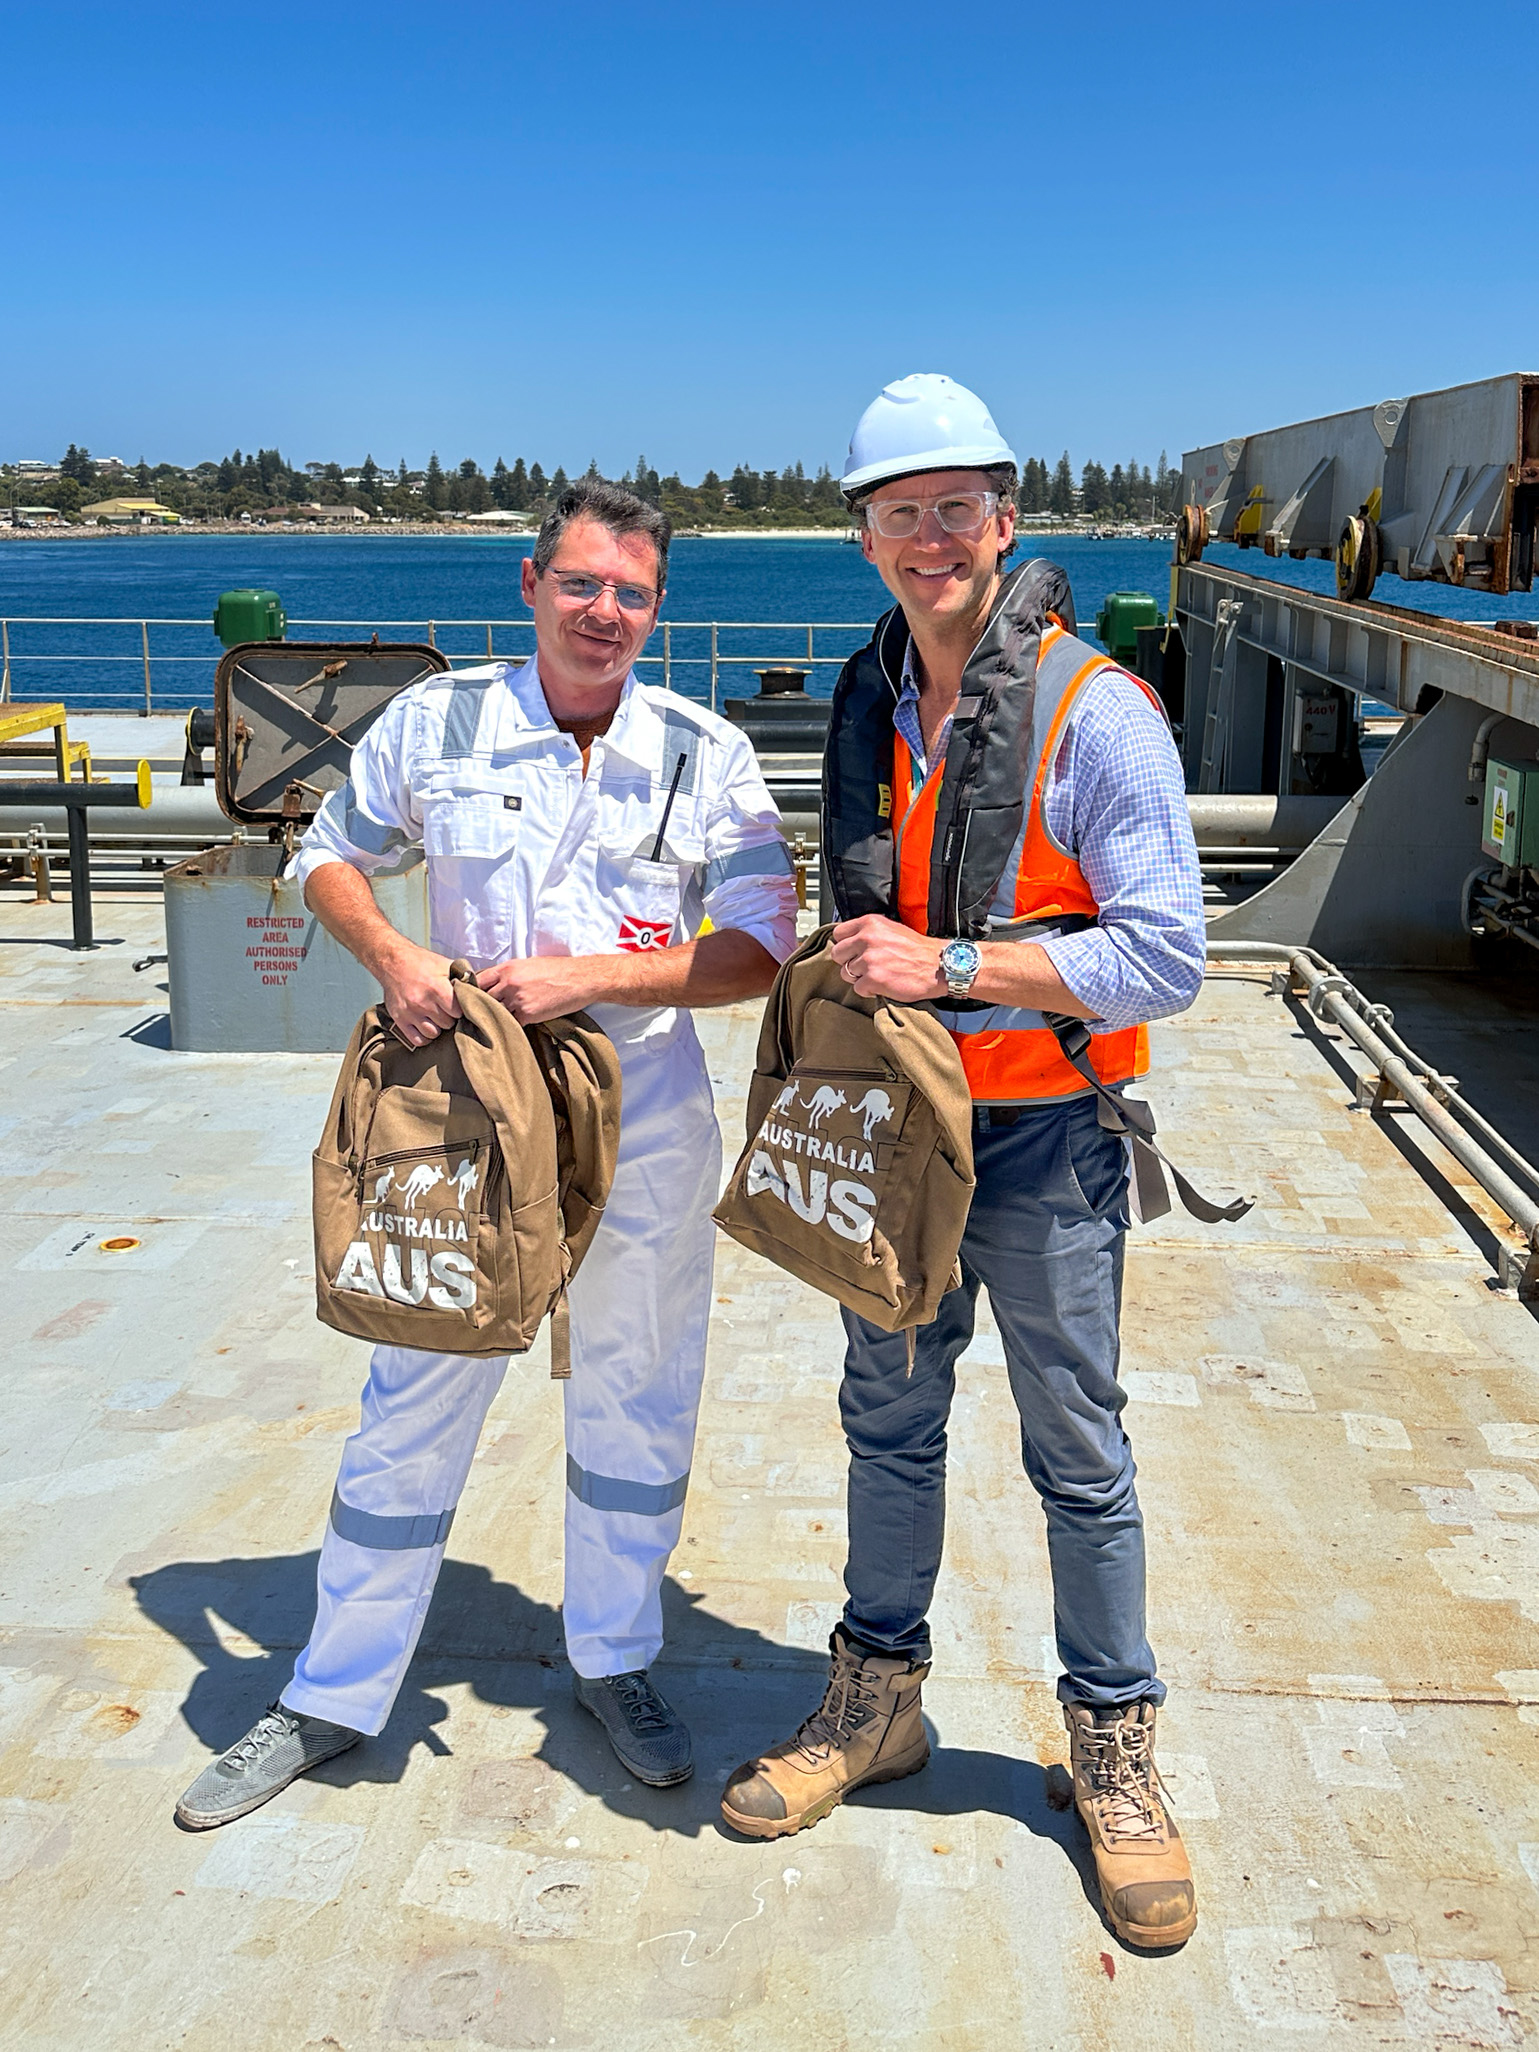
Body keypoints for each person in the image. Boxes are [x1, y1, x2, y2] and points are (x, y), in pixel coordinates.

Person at [176, 479, 798, 1829]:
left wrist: (587, 975)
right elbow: (330, 856)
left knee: (637, 1395)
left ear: (657, 605)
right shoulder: (441, 719)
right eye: (581, 584)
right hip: (471, 1123)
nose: (606, 612)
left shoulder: (706, 751)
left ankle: (616, 1660)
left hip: (647, 1126)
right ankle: (334, 1694)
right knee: (417, 1390)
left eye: (632, 592)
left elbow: (758, 946)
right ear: (531, 585)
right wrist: (398, 954)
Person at [720, 375, 1207, 1951]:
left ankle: (1113, 1750)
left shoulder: (1097, 710)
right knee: (888, 1419)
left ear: (1006, 520)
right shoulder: (877, 705)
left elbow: (1167, 958)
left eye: (956, 508)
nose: (928, 537)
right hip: (901, 1133)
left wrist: (953, 968)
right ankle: (877, 1703)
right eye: (897, 511)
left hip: (1049, 1140)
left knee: (1079, 1446)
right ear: (862, 536)